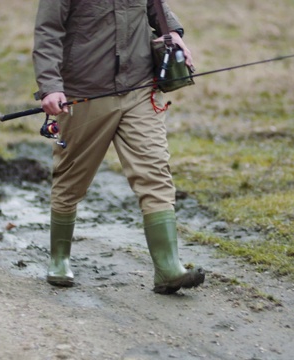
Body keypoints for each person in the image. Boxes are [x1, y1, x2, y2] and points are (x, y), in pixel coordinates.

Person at [32, 0, 205, 295]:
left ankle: (168, 268)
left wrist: (172, 31)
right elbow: (49, 30)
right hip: (85, 91)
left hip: (140, 87)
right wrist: (50, 85)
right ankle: (59, 259)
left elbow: (154, 5)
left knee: (154, 172)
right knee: (71, 179)